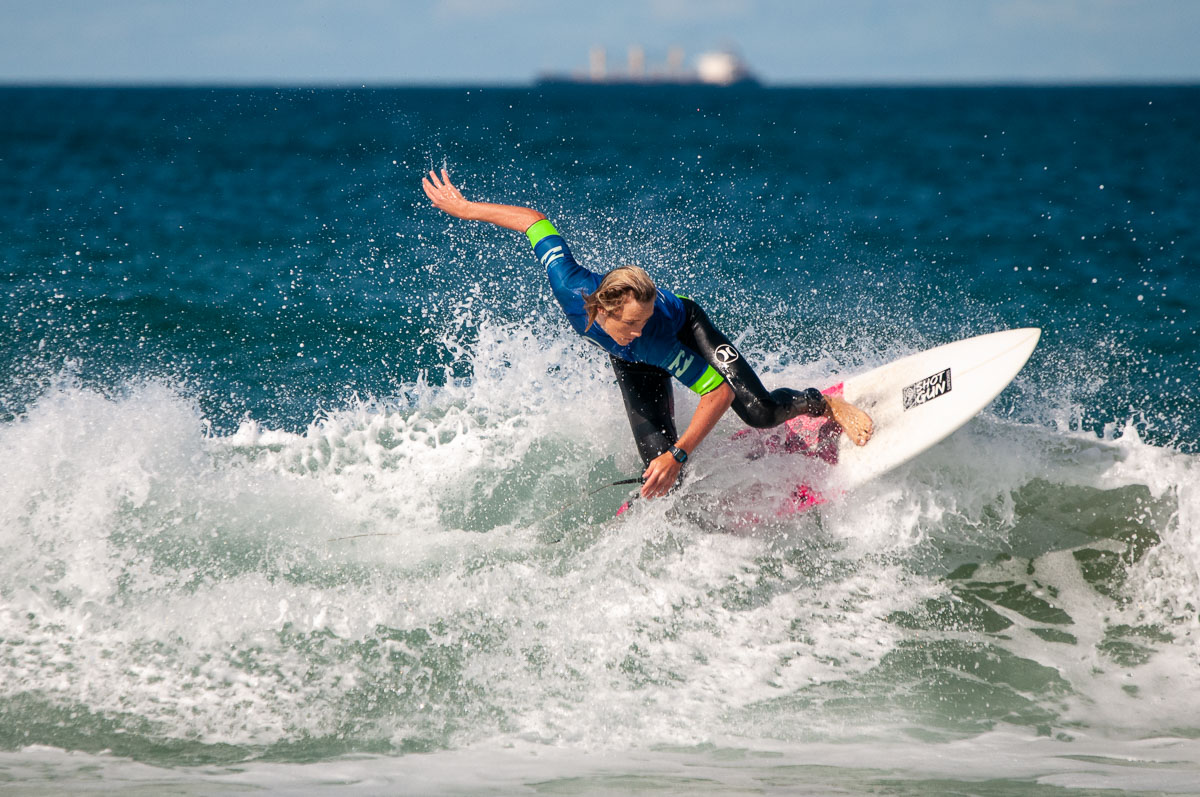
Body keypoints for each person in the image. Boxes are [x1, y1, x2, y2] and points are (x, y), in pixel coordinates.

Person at [422, 169, 873, 500]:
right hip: (635, 363)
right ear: (602, 307)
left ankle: (822, 402)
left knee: (758, 412)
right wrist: (466, 210)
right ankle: (688, 518)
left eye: (644, 319)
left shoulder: (655, 335)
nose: (637, 329)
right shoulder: (570, 286)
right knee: (653, 466)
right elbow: (535, 223)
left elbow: (715, 393)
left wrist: (678, 456)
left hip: (687, 329)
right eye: (631, 323)